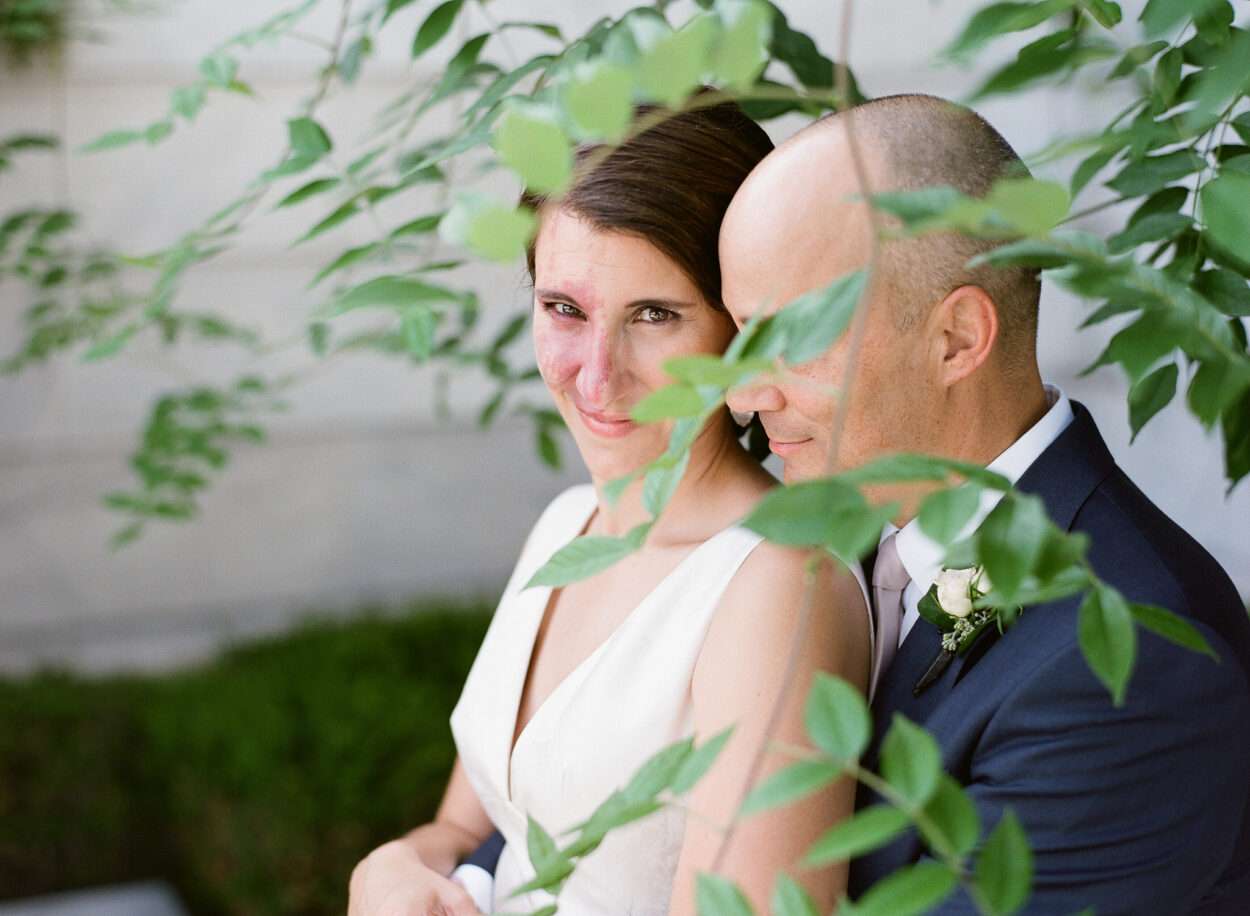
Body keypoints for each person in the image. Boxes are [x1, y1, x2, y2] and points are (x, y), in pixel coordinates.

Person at [717, 93, 1250, 913]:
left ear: (956, 338)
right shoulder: (820, 539)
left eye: (789, 336)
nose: (746, 396)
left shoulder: (1130, 665)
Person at [347, 100, 872, 916]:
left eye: (653, 316)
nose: (596, 377)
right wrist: (392, 864)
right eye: (565, 309)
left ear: (740, 335)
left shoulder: (777, 587)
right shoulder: (566, 525)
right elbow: (468, 824)